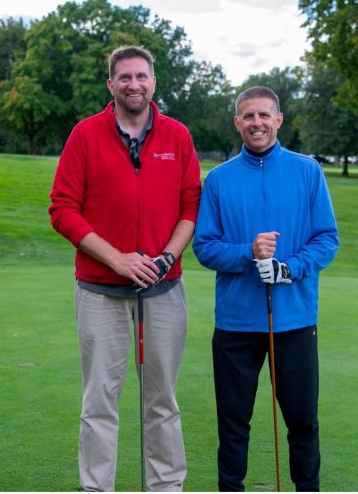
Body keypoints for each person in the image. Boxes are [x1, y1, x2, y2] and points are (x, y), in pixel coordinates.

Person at [49, 45, 201, 492]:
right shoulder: (85, 134)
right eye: (125, 78)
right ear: (111, 85)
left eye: (142, 76)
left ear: (153, 81)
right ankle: (97, 488)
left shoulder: (177, 136)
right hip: (100, 291)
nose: (134, 84)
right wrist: (117, 258)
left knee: (162, 402)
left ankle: (166, 486)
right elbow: (62, 208)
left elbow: (190, 206)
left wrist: (166, 258)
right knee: (99, 401)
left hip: (164, 291)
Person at [192, 86, 339, 492]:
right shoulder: (219, 180)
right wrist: (249, 254)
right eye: (247, 116)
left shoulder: (308, 171)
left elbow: (327, 239)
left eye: (263, 115)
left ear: (279, 119)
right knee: (233, 423)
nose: (256, 123)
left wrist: (288, 268)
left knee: (303, 421)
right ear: (237, 122)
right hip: (237, 324)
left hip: (293, 319)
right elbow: (205, 247)